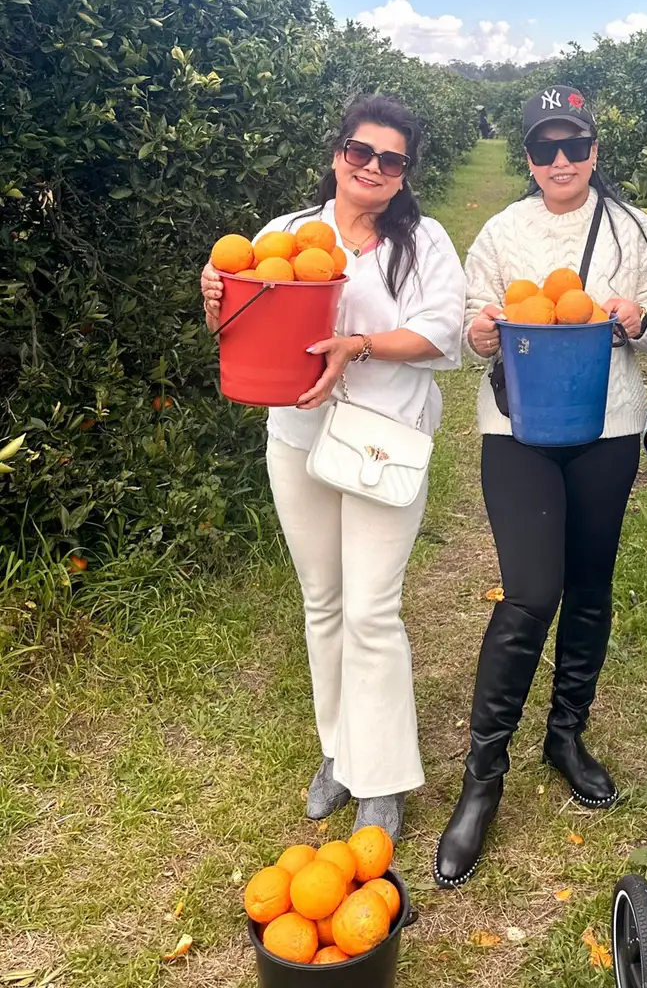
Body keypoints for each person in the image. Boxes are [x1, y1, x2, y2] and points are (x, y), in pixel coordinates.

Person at [200, 94, 466, 842]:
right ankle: (339, 753)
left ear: (405, 172)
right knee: (322, 600)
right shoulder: (285, 234)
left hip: (382, 437)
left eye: (391, 159)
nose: (373, 168)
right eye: (361, 152)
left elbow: (443, 332)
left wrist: (361, 345)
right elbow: (242, 320)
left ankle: (382, 777)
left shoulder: (424, 242)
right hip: (298, 435)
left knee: (371, 608)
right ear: (337, 154)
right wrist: (215, 297)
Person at [434, 85, 647, 888]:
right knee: (531, 592)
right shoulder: (503, 231)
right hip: (520, 430)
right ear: (529, 156)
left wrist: (640, 319)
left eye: (575, 146)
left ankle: (565, 734)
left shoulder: (635, 227)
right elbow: (474, 327)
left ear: (596, 150)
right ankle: (483, 774)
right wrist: (477, 330)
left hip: (606, 425)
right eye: (545, 149)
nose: (561, 162)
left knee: (590, 587)